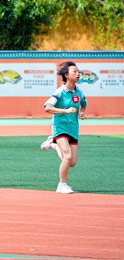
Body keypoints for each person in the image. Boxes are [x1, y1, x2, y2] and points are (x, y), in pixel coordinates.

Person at [43, 61, 87, 194]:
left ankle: (53, 144)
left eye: (78, 71)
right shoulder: (60, 91)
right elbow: (47, 107)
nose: (78, 73)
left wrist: (82, 112)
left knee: (71, 162)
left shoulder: (79, 91)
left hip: (73, 128)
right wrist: (65, 111)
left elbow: (84, 103)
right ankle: (61, 185)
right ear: (66, 75)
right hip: (60, 127)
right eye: (74, 71)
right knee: (67, 156)